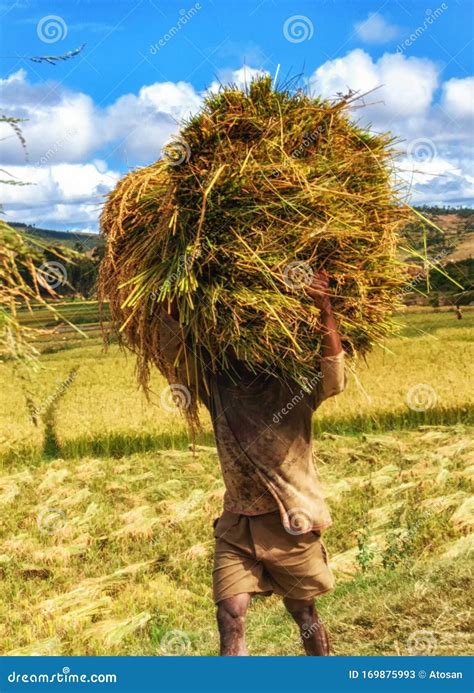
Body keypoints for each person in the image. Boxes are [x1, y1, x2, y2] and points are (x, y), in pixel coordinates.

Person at [159, 270, 345, 656]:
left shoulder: (295, 385)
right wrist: (172, 308)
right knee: (231, 612)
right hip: (237, 523)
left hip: (291, 520)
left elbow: (334, 373)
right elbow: (174, 359)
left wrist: (323, 305)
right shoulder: (217, 385)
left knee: (303, 611)